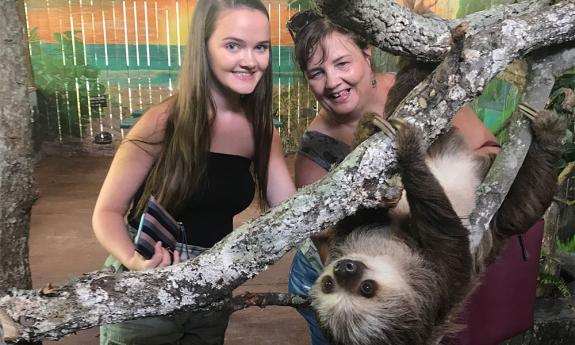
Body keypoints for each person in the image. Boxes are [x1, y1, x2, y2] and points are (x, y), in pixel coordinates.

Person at [286, 11, 511, 345]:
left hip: (397, 260)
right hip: (327, 273)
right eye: (317, 72)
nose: (332, 81)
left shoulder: (422, 93)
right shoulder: (315, 150)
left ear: (366, 53)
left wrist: (439, 179)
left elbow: (490, 150)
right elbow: (332, 247)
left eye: (342, 63)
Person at [92, 1, 295, 344]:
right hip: (146, 283)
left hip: (211, 288)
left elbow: (292, 212)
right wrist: (133, 261)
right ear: (204, 48)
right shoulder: (162, 122)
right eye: (233, 45)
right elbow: (107, 213)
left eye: (260, 47)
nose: (250, 60)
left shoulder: (262, 131)